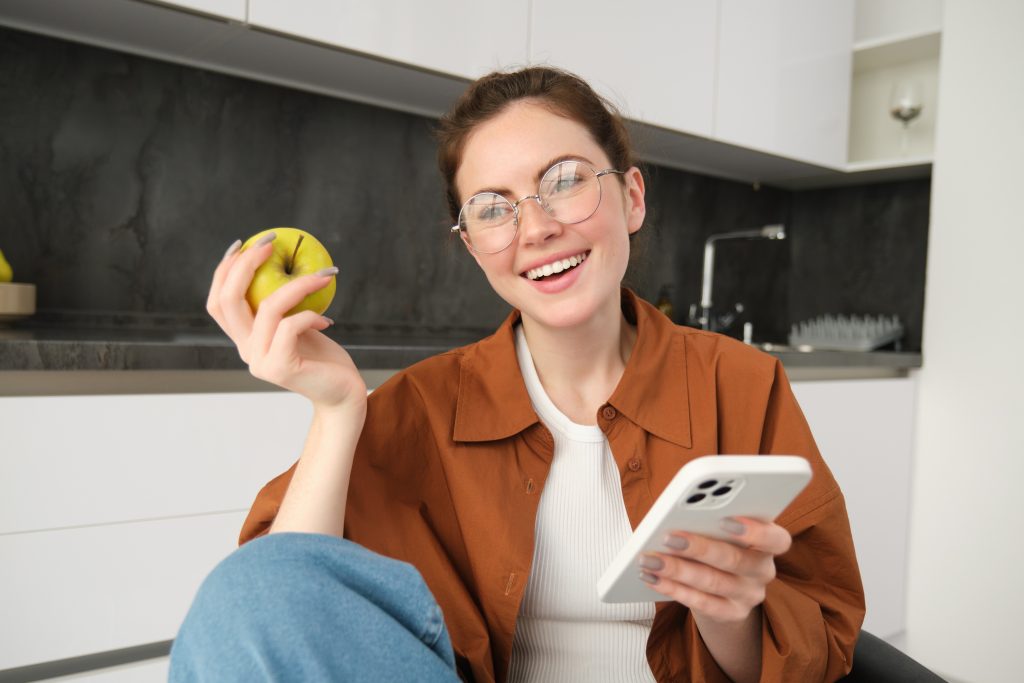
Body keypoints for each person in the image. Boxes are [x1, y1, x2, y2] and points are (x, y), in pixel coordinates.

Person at [169, 66, 865, 683]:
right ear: (474, 246)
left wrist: (730, 610)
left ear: (632, 197)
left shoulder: (741, 385)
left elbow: (817, 652)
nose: (535, 227)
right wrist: (338, 409)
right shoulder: (421, 407)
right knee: (243, 592)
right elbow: (280, 612)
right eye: (493, 207)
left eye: (563, 181)